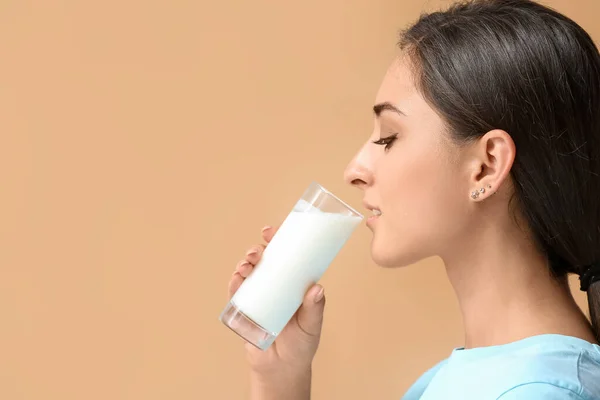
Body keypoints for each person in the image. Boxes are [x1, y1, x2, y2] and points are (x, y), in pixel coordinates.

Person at [226, 0, 600, 398]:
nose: (354, 169)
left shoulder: (537, 392)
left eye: (389, 137)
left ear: (487, 166)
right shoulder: (462, 378)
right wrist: (281, 376)